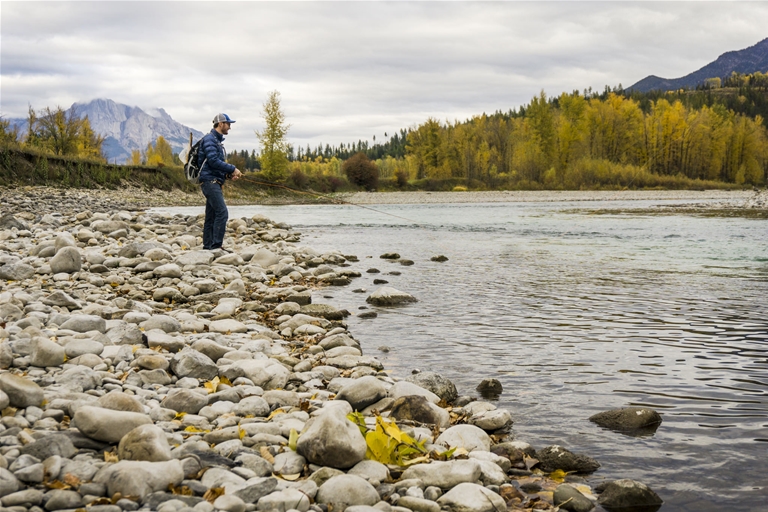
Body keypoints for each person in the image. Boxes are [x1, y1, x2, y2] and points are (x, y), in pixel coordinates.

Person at [199, 113, 243, 251]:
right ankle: (216, 246)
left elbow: (214, 165)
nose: (229, 127)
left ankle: (208, 246)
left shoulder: (216, 141)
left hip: (213, 180)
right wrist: (233, 168)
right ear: (220, 124)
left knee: (211, 216)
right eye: (228, 124)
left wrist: (228, 175)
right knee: (222, 212)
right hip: (209, 181)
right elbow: (212, 161)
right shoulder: (209, 140)